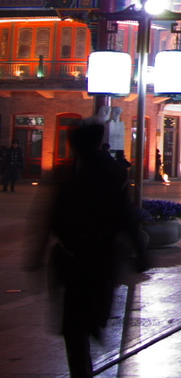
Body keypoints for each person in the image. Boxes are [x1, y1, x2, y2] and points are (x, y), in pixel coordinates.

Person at [28, 123, 148, 378]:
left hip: (78, 259)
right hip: (97, 258)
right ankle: (86, 358)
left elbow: (50, 220)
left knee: (78, 326)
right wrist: (139, 250)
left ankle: (82, 366)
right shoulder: (106, 176)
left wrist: (37, 255)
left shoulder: (76, 179)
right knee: (86, 320)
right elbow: (125, 216)